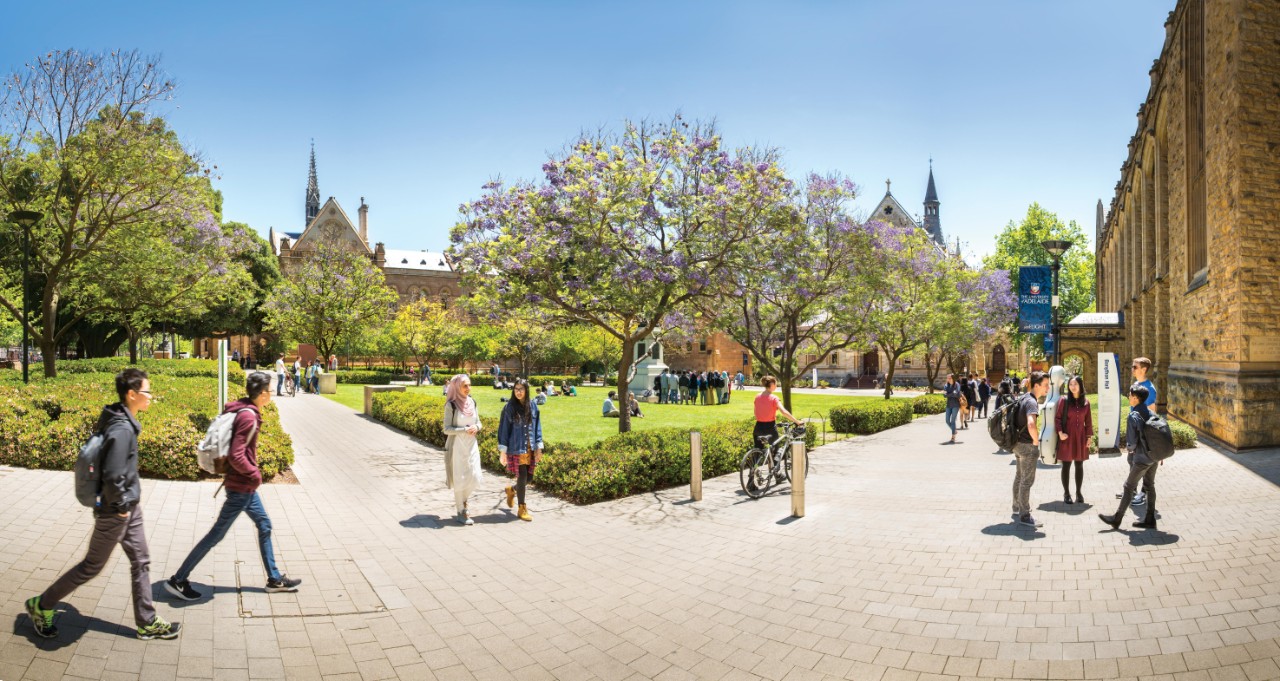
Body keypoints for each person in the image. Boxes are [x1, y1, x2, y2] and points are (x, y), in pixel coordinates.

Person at [26, 368, 181, 640]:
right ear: (132, 394)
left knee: (141, 561)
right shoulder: (121, 428)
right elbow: (112, 474)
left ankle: (146, 622)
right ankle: (42, 605)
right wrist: (121, 508)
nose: (150, 396)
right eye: (147, 391)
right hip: (116, 511)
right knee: (91, 567)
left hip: (129, 508)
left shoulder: (123, 419)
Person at [166, 372, 303, 601]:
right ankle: (178, 580)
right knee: (216, 535)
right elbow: (237, 454)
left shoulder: (244, 408)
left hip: (244, 487)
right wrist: (255, 474)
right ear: (261, 393)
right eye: (269, 390)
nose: (271, 393)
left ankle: (274, 579)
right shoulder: (248, 417)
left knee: (264, 524)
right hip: (241, 488)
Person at [1100, 383, 1161, 530]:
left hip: (1141, 458)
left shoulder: (1133, 415)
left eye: (1130, 395)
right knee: (1149, 486)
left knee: (1128, 486)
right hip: (1154, 457)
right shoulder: (1151, 413)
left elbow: (1131, 443)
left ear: (1135, 398)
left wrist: (1130, 450)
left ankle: (1117, 519)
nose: (1128, 397)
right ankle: (1150, 518)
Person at [498, 379, 542, 522]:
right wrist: (503, 451)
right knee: (522, 476)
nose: (518, 391)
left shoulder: (533, 406)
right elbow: (504, 430)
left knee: (529, 478)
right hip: (517, 447)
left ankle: (511, 490)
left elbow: (537, 427)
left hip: (530, 447)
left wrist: (539, 447)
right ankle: (522, 508)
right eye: (516, 389)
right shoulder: (509, 407)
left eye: (521, 389)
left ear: (526, 390)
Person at [1012, 371, 1050, 528]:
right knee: (1027, 481)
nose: (1048, 388)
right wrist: (1036, 441)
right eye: (1045, 385)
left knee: (1020, 477)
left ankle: (1017, 507)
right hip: (1027, 446)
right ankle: (1025, 515)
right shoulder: (1032, 402)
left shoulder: (1024, 397)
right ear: (1036, 385)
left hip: (1017, 444)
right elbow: (1031, 424)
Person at [443, 375, 483, 526]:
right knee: (459, 478)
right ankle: (462, 510)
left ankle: (464, 501)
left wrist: (476, 427)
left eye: (469, 385)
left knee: (474, 476)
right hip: (457, 446)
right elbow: (446, 429)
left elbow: (479, 422)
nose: (468, 388)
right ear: (457, 387)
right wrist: (464, 430)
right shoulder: (451, 405)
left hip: (472, 445)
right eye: (465, 386)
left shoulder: (472, 402)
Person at [754, 376, 802, 483]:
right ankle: (777, 474)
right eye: (775, 384)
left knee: (757, 452)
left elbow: (755, 412)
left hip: (758, 427)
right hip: (770, 428)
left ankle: (751, 480)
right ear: (771, 385)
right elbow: (784, 412)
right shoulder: (774, 398)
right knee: (775, 451)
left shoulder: (757, 397)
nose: (776, 386)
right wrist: (797, 421)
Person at [1055, 375, 1094, 505]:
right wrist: (1060, 433)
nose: (1072, 387)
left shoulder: (1086, 402)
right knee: (1066, 465)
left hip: (1081, 437)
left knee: (1079, 465)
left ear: (1080, 385)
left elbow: (1088, 422)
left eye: (1075, 384)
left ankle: (1079, 492)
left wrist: (1089, 437)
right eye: (1070, 384)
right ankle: (1066, 493)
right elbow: (1058, 418)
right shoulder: (1064, 400)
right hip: (1067, 436)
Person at [1125, 357, 1158, 507]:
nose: (1132, 369)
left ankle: (1142, 494)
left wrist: (1149, 438)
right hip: (1135, 431)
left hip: (1143, 433)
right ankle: (1132, 490)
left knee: (1144, 464)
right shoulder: (1136, 384)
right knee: (1132, 461)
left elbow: (1152, 414)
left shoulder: (1149, 389)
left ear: (1143, 369)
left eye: (1135, 367)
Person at [943, 374, 962, 443]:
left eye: (949, 378)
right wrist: (951, 394)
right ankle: (954, 430)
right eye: (947, 378)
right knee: (947, 420)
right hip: (949, 405)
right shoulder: (946, 385)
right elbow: (944, 395)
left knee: (953, 421)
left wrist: (949, 394)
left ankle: (953, 437)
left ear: (953, 378)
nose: (948, 379)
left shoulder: (957, 385)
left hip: (955, 405)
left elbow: (956, 393)